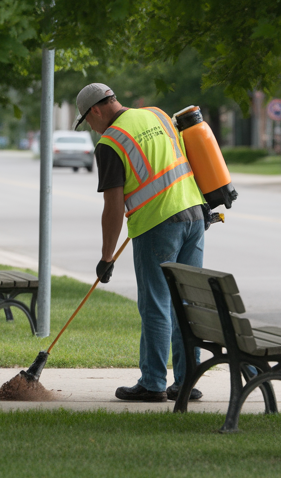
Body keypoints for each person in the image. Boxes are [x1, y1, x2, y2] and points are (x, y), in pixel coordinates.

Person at [73, 82, 208, 402]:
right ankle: (187, 379)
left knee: (156, 303)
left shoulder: (110, 143)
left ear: (96, 110)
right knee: (185, 302)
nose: (90, 128)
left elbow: (113, 207)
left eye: (87, 120)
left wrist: (106, 257)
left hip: (157, 225)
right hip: (195, 217)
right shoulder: (158, 115)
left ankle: (153, 383)